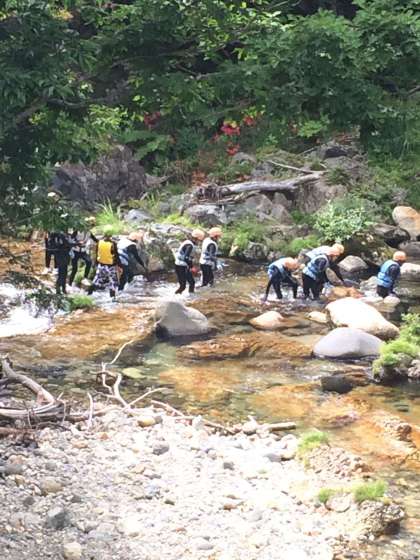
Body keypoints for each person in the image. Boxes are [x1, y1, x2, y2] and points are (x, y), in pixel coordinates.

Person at [87, 226, 119, 299]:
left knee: (96, 281)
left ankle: (89, 295)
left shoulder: (99, 242)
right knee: (113, 283)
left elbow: (96, 253)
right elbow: (116, 256)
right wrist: (119, 265)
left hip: (101, 265)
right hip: (110, 266)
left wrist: (95, 263)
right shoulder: (113, 244)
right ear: (111, 234)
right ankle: (112, 299)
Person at [174, 229, 205, 294]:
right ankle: (175, 297)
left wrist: (190, 266)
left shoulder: (187, 242)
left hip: (181, 266)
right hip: (181, 267)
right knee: (183, 286)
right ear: (196, 239)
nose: (200, 242)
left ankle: (191, 296)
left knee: (191, 282)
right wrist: (192, 267)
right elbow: (186, 258)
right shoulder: (190, 245)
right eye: (200, 241)